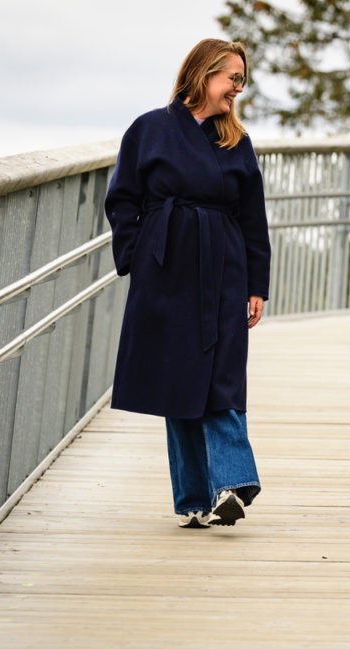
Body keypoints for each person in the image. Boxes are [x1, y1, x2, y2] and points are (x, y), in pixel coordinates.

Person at [104, 39, 271, 528]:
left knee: (220, 375)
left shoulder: (235, 141)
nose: (238, 89)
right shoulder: (149, 129)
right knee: (176, 381)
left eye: (242, 81)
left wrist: (256, 285)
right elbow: (122, 199)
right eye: (232, 79)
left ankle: (233, 483)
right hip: (165, 268)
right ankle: (195, 500)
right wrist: (138, 255)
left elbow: (253, 218)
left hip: (223, 267)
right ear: (203, 74)